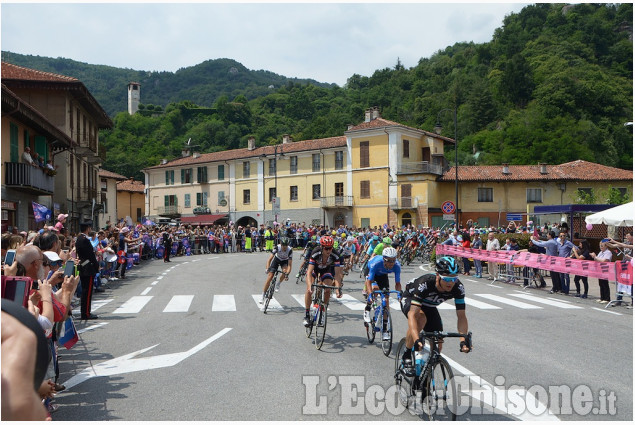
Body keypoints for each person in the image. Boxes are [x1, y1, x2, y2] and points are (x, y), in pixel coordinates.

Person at [399, 257, 471, 376]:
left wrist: (463, 340)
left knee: (438, 342)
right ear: (438, 275)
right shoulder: (425, 283)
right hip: (411, 299)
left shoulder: (458, 287)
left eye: (454, 278)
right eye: (447, 279)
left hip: (430, 306)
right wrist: (416, 339)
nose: (450, 283)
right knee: (421, 318)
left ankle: (425, 374)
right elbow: (412, 314)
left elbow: (461, 316)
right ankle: (406, 354)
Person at [363, 247, 402, 340]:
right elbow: (369, 282)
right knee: (375, 289)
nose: (391, 263)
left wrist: (399, 294)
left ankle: (384, 331)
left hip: (383, 275)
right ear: (384, 259)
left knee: (386, 300)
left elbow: (397, 283)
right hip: (371, 272)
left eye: (393, 260)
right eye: (389, 261)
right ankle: (367, 309)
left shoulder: (397, 266)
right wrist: (369, 294)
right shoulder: (376, 263)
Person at [303, 236, 343, 327]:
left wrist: (337, 289)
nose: (329, 251)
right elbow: (309, 272)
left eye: (330, 248)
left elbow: (337, 274)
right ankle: (307, 314)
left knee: (328, 289)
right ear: (322, 247)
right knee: (309, 289)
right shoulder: (315, 252)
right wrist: (310, 286)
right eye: (326, 248)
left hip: (326, 270)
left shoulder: (335, 255)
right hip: (314, 269)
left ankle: (322, 311)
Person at [76, 221, 100, 320]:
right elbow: (91, 255)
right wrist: (96, 265)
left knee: (85, 291)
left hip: (83, 266)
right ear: (88, 228)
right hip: (88, 268)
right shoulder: (84, 240)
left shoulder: (79, 239)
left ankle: (85, 312)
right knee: (88, 291)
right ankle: (86, 313)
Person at [260, 237, 293, 303]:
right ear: (281, 244)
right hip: (276, 260)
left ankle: (278, 283)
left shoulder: (290, 250)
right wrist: (267, 268)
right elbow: (269, 259)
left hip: (284, 261)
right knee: (270, 277)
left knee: (285, 271)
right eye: (283, 245)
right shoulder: (277, 247)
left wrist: (287, 274)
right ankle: (262, 296)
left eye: (286, 245)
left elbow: (289, 265)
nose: (285, 247)